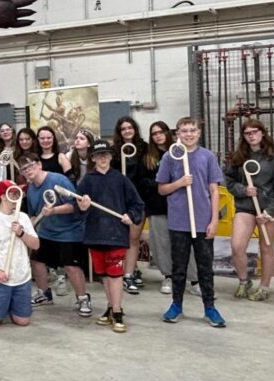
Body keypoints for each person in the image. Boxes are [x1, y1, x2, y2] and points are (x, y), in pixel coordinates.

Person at [156, 117, 226, 327]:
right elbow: (162, 189)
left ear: (198, 133)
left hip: (203, 221)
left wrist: (214, 220)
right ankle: (176, 305)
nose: (188, 134)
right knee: (179, 267)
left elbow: (214, 191)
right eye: (184, 130)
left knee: (205, 267)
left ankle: (210, 308)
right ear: (177, 133)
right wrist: (179, 183)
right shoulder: (170, 157)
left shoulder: (207, 156)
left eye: (192, 130)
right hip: (178, 222)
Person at [74, 140, 145, 333]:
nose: (102, 158)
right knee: (104, 277)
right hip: (95, 235)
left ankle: (118, 311)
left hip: (116, 236)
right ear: (93, 158)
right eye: (99, 155)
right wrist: (83, 206)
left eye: (106, 154)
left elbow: (137, 205)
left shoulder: (120, 179)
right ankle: (110, 307)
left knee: (115, 276)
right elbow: (77, 207)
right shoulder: (87, 181)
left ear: (111, 157)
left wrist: (131, 216)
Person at [224, 119, 274, 302]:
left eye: (255, 131)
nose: (251, 135)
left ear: (262, 133)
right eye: (247, 133)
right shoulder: (237, 158)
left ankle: (265, 287)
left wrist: (269, 212)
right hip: (245, 207)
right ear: (243, 136)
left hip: (268, 209)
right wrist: (243, 190)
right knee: (237, 246)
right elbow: (229, 181)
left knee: (266, 247)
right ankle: (244, 281)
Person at [18, 152, 91, 316]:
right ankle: (44, 294)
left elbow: (75, 205)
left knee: (71, 267)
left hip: (70, 231)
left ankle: (83, 298)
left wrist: (54, 210)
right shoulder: (31, 190)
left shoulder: (59, 180)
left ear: (39, 165)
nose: (27, 171)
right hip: (46, 231)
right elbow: (34, 214)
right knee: (36, 261)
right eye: (24, 169)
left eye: (30, 166)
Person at [134, 121, 198, 296]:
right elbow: (142, 181)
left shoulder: (180, 151)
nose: (158, 136)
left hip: (181, 206)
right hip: (157, 206)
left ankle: (194, 279)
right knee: (161, 244)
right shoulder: (147, 156)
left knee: (187, 244)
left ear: (168, 133)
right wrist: (160, 184)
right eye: (154, 133)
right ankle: (168, 276)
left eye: (161, 132)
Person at [0, 179, 40, 327]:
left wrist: (21, 233)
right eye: (14, 193)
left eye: (19, 193)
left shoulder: (22, 217)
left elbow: (36, 245)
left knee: (23, 321)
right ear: (3, 196)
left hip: (21, 277)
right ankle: (1, 304)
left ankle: (10, 304)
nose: (18, 196)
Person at [111, 116, 148, 294]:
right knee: (122, 239)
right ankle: (126, 271)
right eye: (123, 128)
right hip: (119, 200)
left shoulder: (144, 148)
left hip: (138, 200)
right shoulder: (114, 151)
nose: (127, 131)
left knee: (134, 238)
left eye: (129, 127)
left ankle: (128, 274)